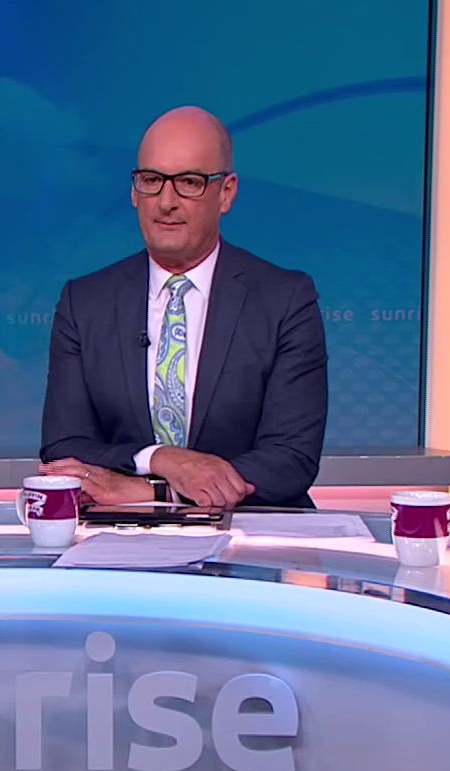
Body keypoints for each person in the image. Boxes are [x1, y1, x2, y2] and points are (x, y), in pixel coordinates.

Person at [39, 106, 327, 509]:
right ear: (134, 192)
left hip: (252, 529)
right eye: (151, 180)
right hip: (120, 533)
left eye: (189, 182)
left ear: (226, 193)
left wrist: (157, 492)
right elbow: (64, 449)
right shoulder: (84, 302)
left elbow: (291, 458)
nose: (166, 202)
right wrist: (159, 458)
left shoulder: (285, 299)